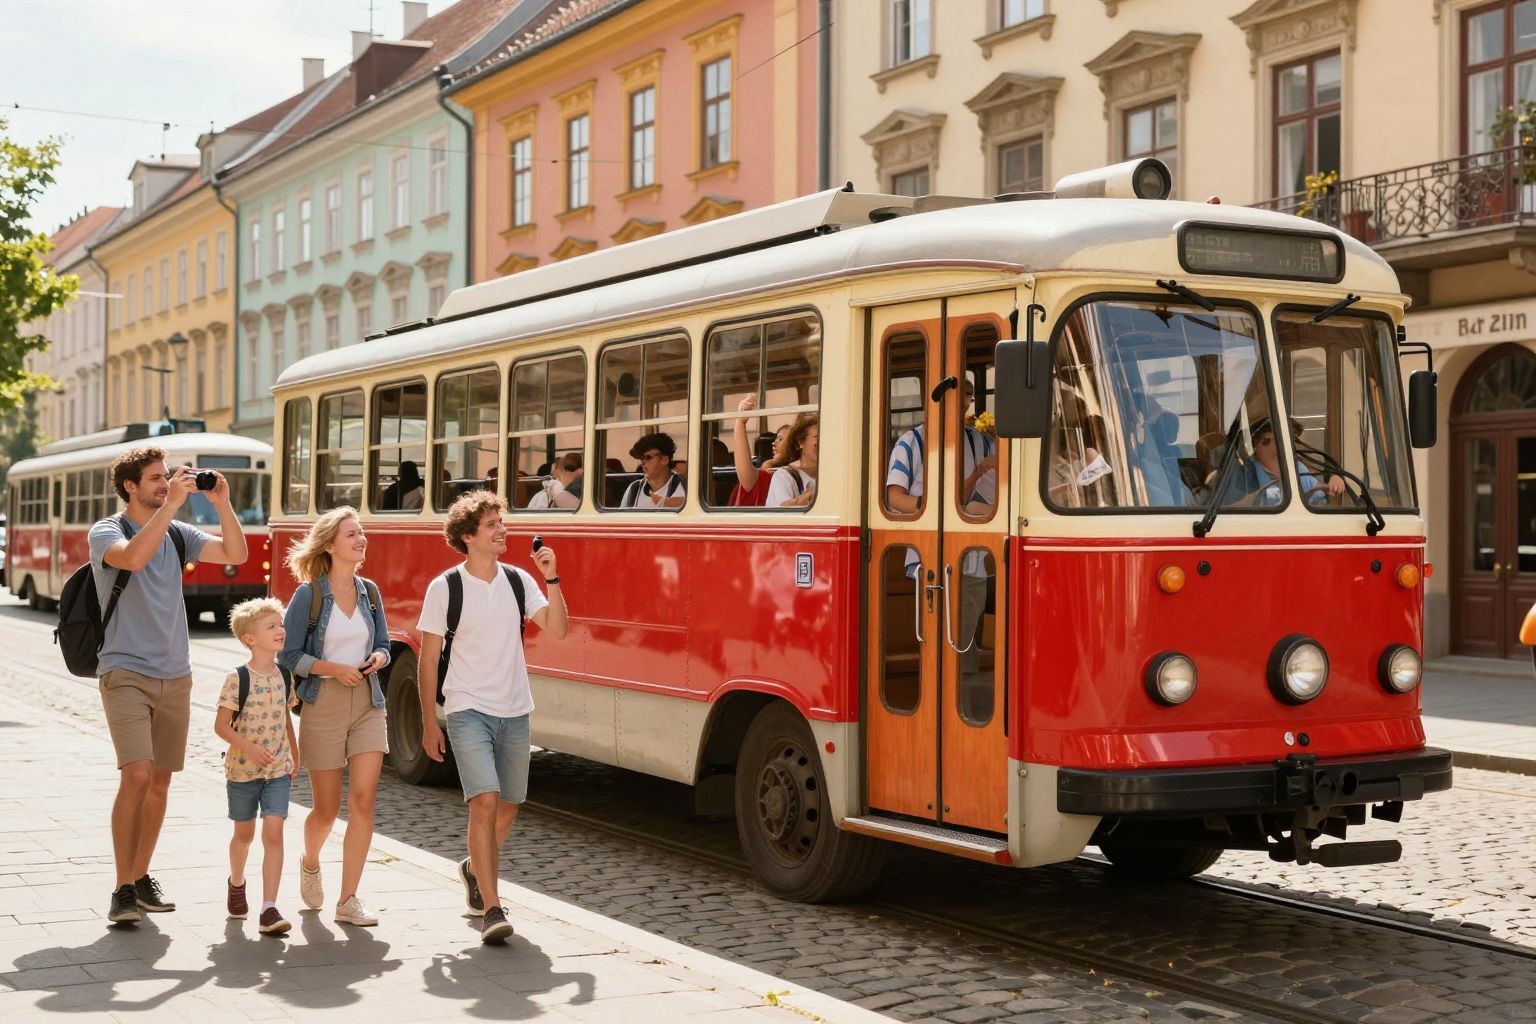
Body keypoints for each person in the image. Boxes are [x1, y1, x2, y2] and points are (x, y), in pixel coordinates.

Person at [90, 447, 249, 925]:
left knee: (160, 781)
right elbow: (134, 559)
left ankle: (141, 877)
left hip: (175, 674)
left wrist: (222, 504)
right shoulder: (107, 531)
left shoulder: (178, 533)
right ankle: (121, 887)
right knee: (137, 775)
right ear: (130, 486)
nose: (165, 484)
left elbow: (236, 555)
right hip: (124, 670)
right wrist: (173, 505)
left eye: (167, 477)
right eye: (156, 478)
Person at [416, 491, 569, 943]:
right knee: (484, 800)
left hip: (515, 709)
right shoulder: (445, 587)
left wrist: (552, 577)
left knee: (508, 807)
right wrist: (429, 721)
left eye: (501, 522)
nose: (503, 529)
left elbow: (558, 629)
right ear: (468, 536)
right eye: (492, 524)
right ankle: (492, 907)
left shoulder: (519, 581)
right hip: (467, 708)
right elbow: (428, 659)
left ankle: (473, 868)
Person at [278, 507, 391, 928]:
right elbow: (288, 654)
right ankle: (310, 861)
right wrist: (332, 669)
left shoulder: (370, 592)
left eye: (361, 532)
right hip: (323, 702)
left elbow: (384, 643)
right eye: (351, 534)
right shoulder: (308, 596)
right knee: (325, 810)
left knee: (363, 800)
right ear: (329, 544)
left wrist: (378, 657)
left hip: (368, 702)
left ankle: (348, 899)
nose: (361, 539)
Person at [885, 380, 995, 672]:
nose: (966, 402)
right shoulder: (911, 441)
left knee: (964, 642)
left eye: (969, 396)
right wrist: (937, 507)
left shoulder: (982, 441)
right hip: (930, 558)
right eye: (962, 395)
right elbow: (895, 497)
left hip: (973, 557)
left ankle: (962, 695)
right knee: (941, 644)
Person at [214, 597, 299, 936]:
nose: (280, 630)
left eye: (281, 624)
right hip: (242, 771)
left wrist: (295, 754)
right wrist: (249, 747)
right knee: (244, 835)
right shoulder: (237, 679)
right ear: (250, 638)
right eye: (271, 626)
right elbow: (221, 726)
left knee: (274, 833)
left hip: (277, 770)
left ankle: (269, 908)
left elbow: (285, 718)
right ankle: (237, 882)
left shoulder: (285, 676)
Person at [1223, 416, 1347, 507]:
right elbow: (1226, 512)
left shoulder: (1297, 469)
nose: (1278, 448)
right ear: (1255, 445)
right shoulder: (1242, 476)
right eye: (1268, 441)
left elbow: (1319, 497)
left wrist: (1335, 482)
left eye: (1285, 441)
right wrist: (1249, 501)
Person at [729, 394, 793, 506]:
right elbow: (746, 473)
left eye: (780, 439)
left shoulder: (784, 475)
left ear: (796, 445)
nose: (773, 443)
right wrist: (740, 421)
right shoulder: (771, 475)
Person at [619, 432, 686, 508]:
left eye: (647, 457)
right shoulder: (633, 490)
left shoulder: (685, 488)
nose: (642, 463)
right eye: (641, 458)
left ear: (664, 459)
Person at [766, 414, 818, 508]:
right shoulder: (783, 476)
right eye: (817, 437)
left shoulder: (832, 474)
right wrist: (817, 491)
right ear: (800, 442)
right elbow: (783, 509)